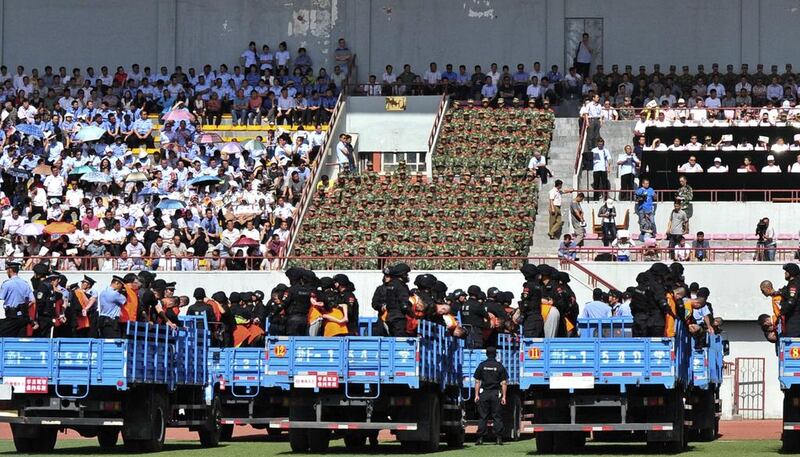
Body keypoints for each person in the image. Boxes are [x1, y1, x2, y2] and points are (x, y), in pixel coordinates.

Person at [474, 346, 508, 446]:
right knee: (497, 416)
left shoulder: (482, 365)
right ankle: (498, 439)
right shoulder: (499, 366)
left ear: (486, 354)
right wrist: (504, 396)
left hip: (484, 393)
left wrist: (476, 395)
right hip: (496, 394)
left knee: (483, 416)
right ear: (496, 354)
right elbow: (504, 382)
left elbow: (477, 381)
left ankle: (480, 438)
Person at [0, 261, 34, 337]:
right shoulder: (25, 283)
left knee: (4, 337)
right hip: (23, 316)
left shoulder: (7, 284)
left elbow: (1, 297)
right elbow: (32, 300)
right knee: (20, 340)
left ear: (10, 270)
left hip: (12, 316)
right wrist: (23, 307)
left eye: (7, 270)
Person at [781, 263, 800, 337]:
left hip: (794, 318)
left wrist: (782, 311)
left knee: (792, 343)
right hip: (794, 317)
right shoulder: (794, 283)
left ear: (791, 272)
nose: (785, 273)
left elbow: (791, 301)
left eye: (786, 271)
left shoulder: (794, 284)